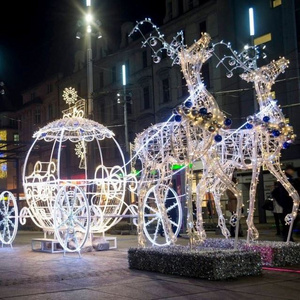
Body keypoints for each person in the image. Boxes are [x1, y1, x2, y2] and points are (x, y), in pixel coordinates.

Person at [275, 165, 296, 242]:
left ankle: (287, 235)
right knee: (289, 220)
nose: (292, 172)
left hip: (287, 203)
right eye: (292, 170)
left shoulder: (285, 178)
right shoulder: (287, 179)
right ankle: (287, 236)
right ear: (289, 170)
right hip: (288, 203)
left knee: (288, 220)